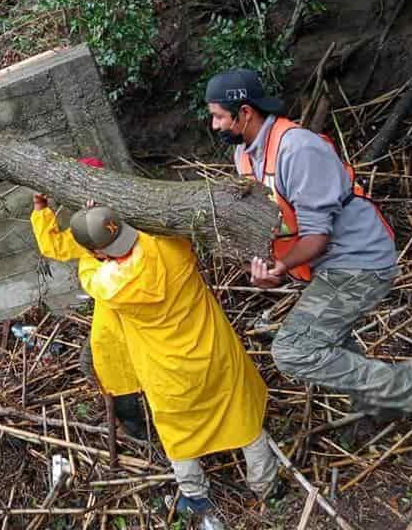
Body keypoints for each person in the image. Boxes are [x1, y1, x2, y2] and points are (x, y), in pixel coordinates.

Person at [204, 68, 412, 471]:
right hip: (325, 267)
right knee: (329, 340)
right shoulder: (244, 154)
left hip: (359, 262)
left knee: (293, 350)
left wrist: (281, 265)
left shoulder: (297, 150)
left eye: (219, 116)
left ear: (245, 112)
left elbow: (317, 236)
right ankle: (382, 404)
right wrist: (266, 267)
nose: (214, 124)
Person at [64, 205, 278, 529]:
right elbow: (160, 220)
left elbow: (88, 269)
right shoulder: (170, 245)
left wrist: (92, 247)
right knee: (243, 416)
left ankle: (196, 498)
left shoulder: (104, 285)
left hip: (166, 373)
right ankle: (267, 487)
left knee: (178, 436)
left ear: (97, 253)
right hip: (214, 352)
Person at [30, 157, 146, 439]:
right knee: (105, 368)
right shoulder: (91, 226)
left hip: (131, 316)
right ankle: (136, 428)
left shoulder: (118, 223)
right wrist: (40, 207)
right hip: (111, 323)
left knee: (121, 371)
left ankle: (140, 431)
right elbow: (55, 245)